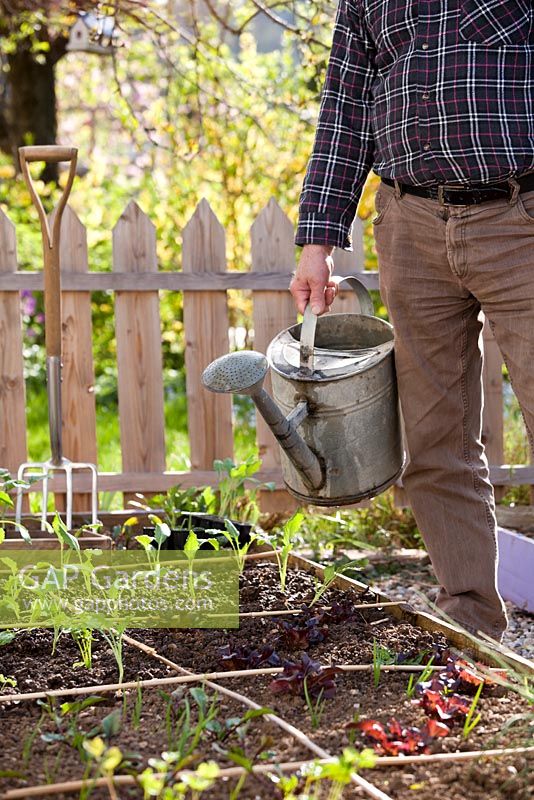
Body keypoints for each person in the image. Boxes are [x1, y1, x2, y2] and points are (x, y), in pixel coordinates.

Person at [290, 0, 534, 640]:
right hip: (411, 225)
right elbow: (344, 106)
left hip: (521, 217)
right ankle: (473, 627)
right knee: (435, 443)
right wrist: (317, 242)